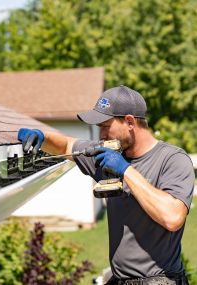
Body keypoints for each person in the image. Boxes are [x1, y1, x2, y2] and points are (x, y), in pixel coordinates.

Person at [17, 85, 195, 285]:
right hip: (120, 279)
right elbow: (67, 145)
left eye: (105, 126)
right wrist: (41, 137)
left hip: (161, 280)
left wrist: (126, 171)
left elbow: (172, 217)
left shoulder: (172, 159)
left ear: (129, 122)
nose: (100, 135)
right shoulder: (108, 155)